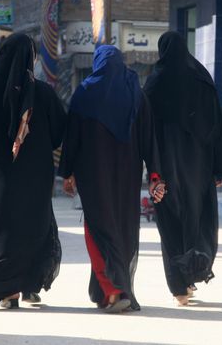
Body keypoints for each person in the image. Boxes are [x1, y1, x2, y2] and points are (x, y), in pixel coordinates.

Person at [59, 45, 165, 313]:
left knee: (97, 227)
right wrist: (154, 173)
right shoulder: (136, 95)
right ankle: (112, 291)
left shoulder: (84, 92)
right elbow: (149, 138)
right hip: (127, 176)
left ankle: (115, 290)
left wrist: (67, 171)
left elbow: (72, 137)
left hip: (92, 175)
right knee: (123, 227)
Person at [0, 33, 66, 309]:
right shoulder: (43, 93)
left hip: (2, 176)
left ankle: (7, 291)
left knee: (3, 228)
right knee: (35, 226)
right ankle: (30, 284)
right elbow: (60, 131)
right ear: (31, 59)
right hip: (37, 177)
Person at [143, 31, 222, 306]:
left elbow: (147, 130)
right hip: (199, 168)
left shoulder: (155, 82)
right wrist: (220, 169)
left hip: (166, 168)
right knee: (198, 221)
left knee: (171, 224)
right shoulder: (202, 79)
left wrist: (150, 169)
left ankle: (179, 288)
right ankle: (192, 273)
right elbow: (217, 126)